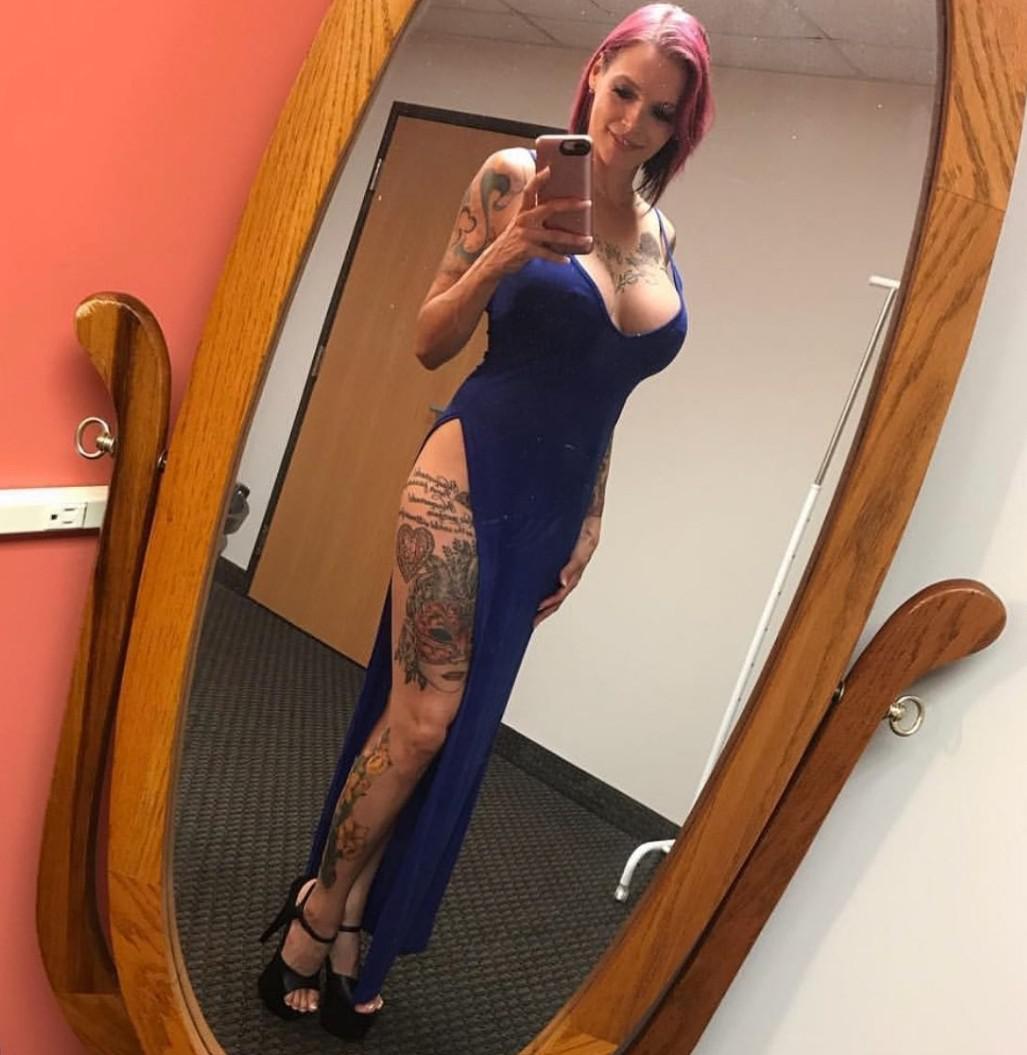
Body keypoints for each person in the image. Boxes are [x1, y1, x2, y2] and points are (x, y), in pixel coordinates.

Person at [257, 2, 714, 1039]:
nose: (631, 122)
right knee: (420, 722)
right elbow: (429, 338)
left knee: (448, 729)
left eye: (660, 112)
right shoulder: (512, 178)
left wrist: (592, 512)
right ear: (594, 76)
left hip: (552, 504)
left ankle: (360, 912)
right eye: (623, 91)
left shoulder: (661, 236)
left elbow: (607, 390)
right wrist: (506, 251)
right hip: (464, 476)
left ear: (679, 129)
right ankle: (317, 909)